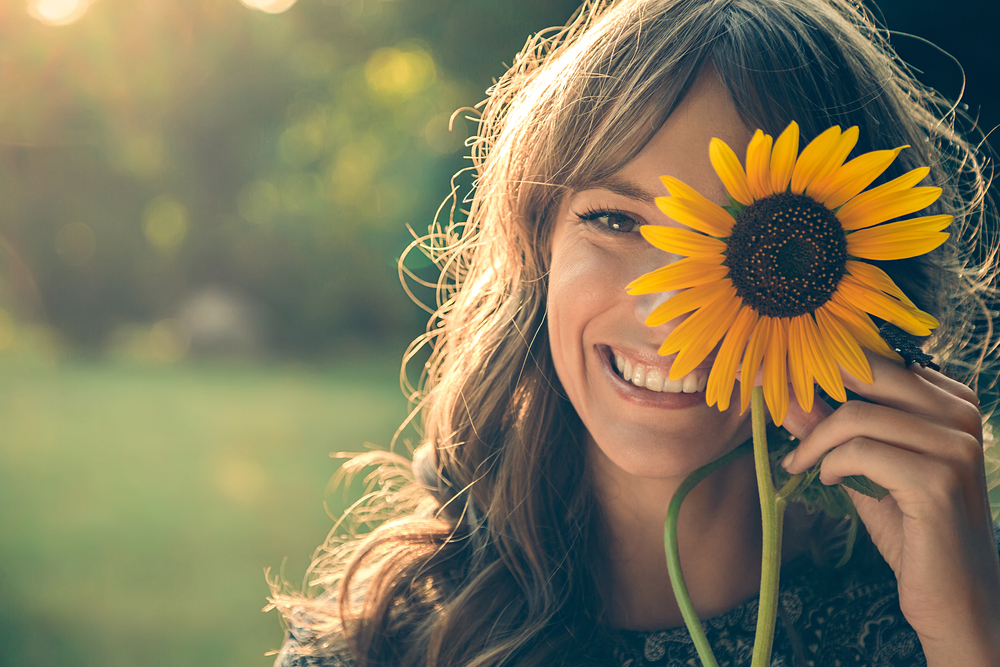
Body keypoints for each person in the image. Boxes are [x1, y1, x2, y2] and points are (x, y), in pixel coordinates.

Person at [268, 0, 1000, 665]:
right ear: (538, 247)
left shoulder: (935, 623)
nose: (668, 311)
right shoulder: (382, 647)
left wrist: (969, 639)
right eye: (616, 220)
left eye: (747, 243)